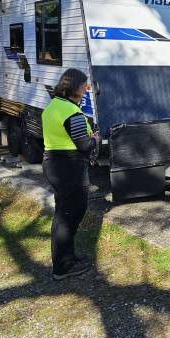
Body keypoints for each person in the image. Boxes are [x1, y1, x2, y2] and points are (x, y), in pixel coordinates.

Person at [42, 68, 100, 280]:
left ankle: (67, 257)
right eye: (83, 85)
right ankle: (63, 266)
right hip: (69, 166)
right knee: (69, 215)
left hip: (54, 163)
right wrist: (95, 138)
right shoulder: (71, 112)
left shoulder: (54, 106)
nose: (86, 90)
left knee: (64, 213)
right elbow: (84, 145)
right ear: (74, 87)